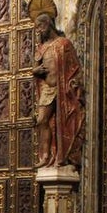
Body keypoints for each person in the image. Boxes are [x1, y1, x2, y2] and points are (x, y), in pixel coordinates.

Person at [32, 11, 85, 168]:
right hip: (48, 89)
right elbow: (35, 68)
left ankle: (63, 155)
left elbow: (75, 66)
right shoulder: (42, 48)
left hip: (62, 89)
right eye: (36, 28)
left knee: (62, 121)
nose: (38, 31)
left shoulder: (63, 43)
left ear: (48, 24)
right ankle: (46, 155)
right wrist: (36, 70)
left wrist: (74, 83)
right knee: (42, 120)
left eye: (40, 27)